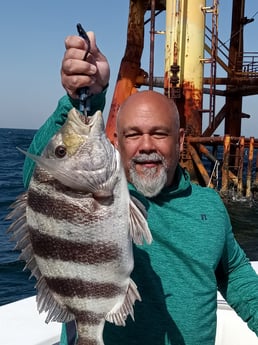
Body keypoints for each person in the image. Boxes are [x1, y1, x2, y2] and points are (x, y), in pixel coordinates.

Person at [23, 32, 258, 345]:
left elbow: (236, 276)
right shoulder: (105, 196)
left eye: (159, 133)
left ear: (181, 139)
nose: (146, 146)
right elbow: (40, 177)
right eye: (133, 135)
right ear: (116, 142)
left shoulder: (210, 206)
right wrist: (82, 99)